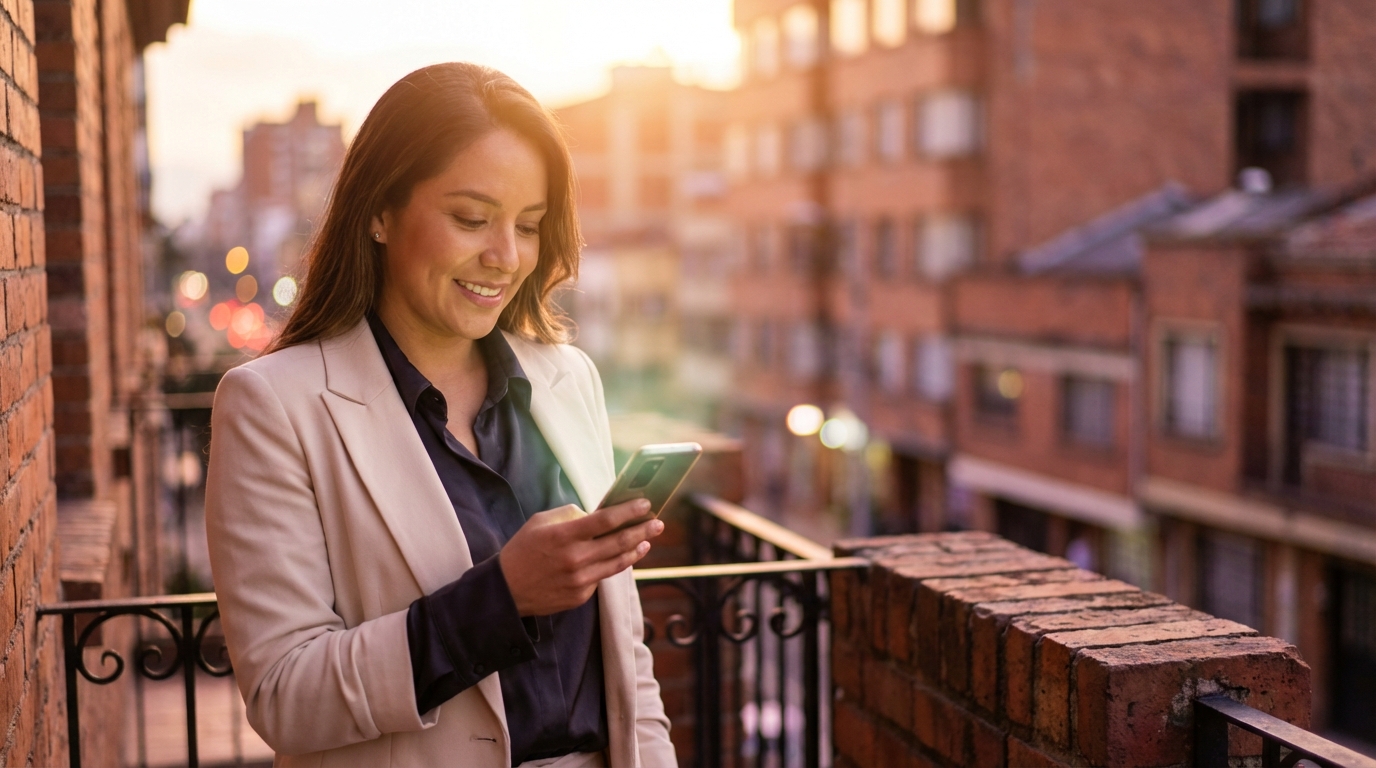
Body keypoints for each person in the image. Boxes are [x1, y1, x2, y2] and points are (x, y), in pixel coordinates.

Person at [204, 62, 675, 768]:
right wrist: (501, 599)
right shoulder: (272, 405)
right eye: (471, 219)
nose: (505, 257)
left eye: (529, 225)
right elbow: (285, 694)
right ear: (379, 211)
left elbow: (626, 659)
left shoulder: (567, 378)